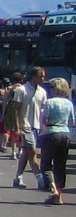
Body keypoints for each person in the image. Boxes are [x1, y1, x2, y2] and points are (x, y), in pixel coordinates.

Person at [13, 68, 48, 190]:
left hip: (37, 126)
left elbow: (43, 110)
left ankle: (18, 176)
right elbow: (16, 110)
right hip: (25, 125)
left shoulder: (42, 92)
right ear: (33, 76)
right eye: (40, 76)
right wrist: (18, 127)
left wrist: (44, 126)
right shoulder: (21, 90)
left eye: (44, 76)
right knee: (33, 152)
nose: (43, 79)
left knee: (26, 153)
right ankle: (41, 180)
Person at [41, 77, 71, 205]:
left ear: (55, 88)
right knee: (60, 165)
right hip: (65, 132)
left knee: (46, 164)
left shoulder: (50, 102)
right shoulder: (68, 103)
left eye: (51, 87)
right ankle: (60, 194)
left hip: (51, 132)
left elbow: (45, 120)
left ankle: (53, 190)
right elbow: (72, 121)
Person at [0, 80, 13, 152]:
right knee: (7, 130)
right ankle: (5, 145)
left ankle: (0, 145)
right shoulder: (10, 91)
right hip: (9, 111)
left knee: (0, 130)